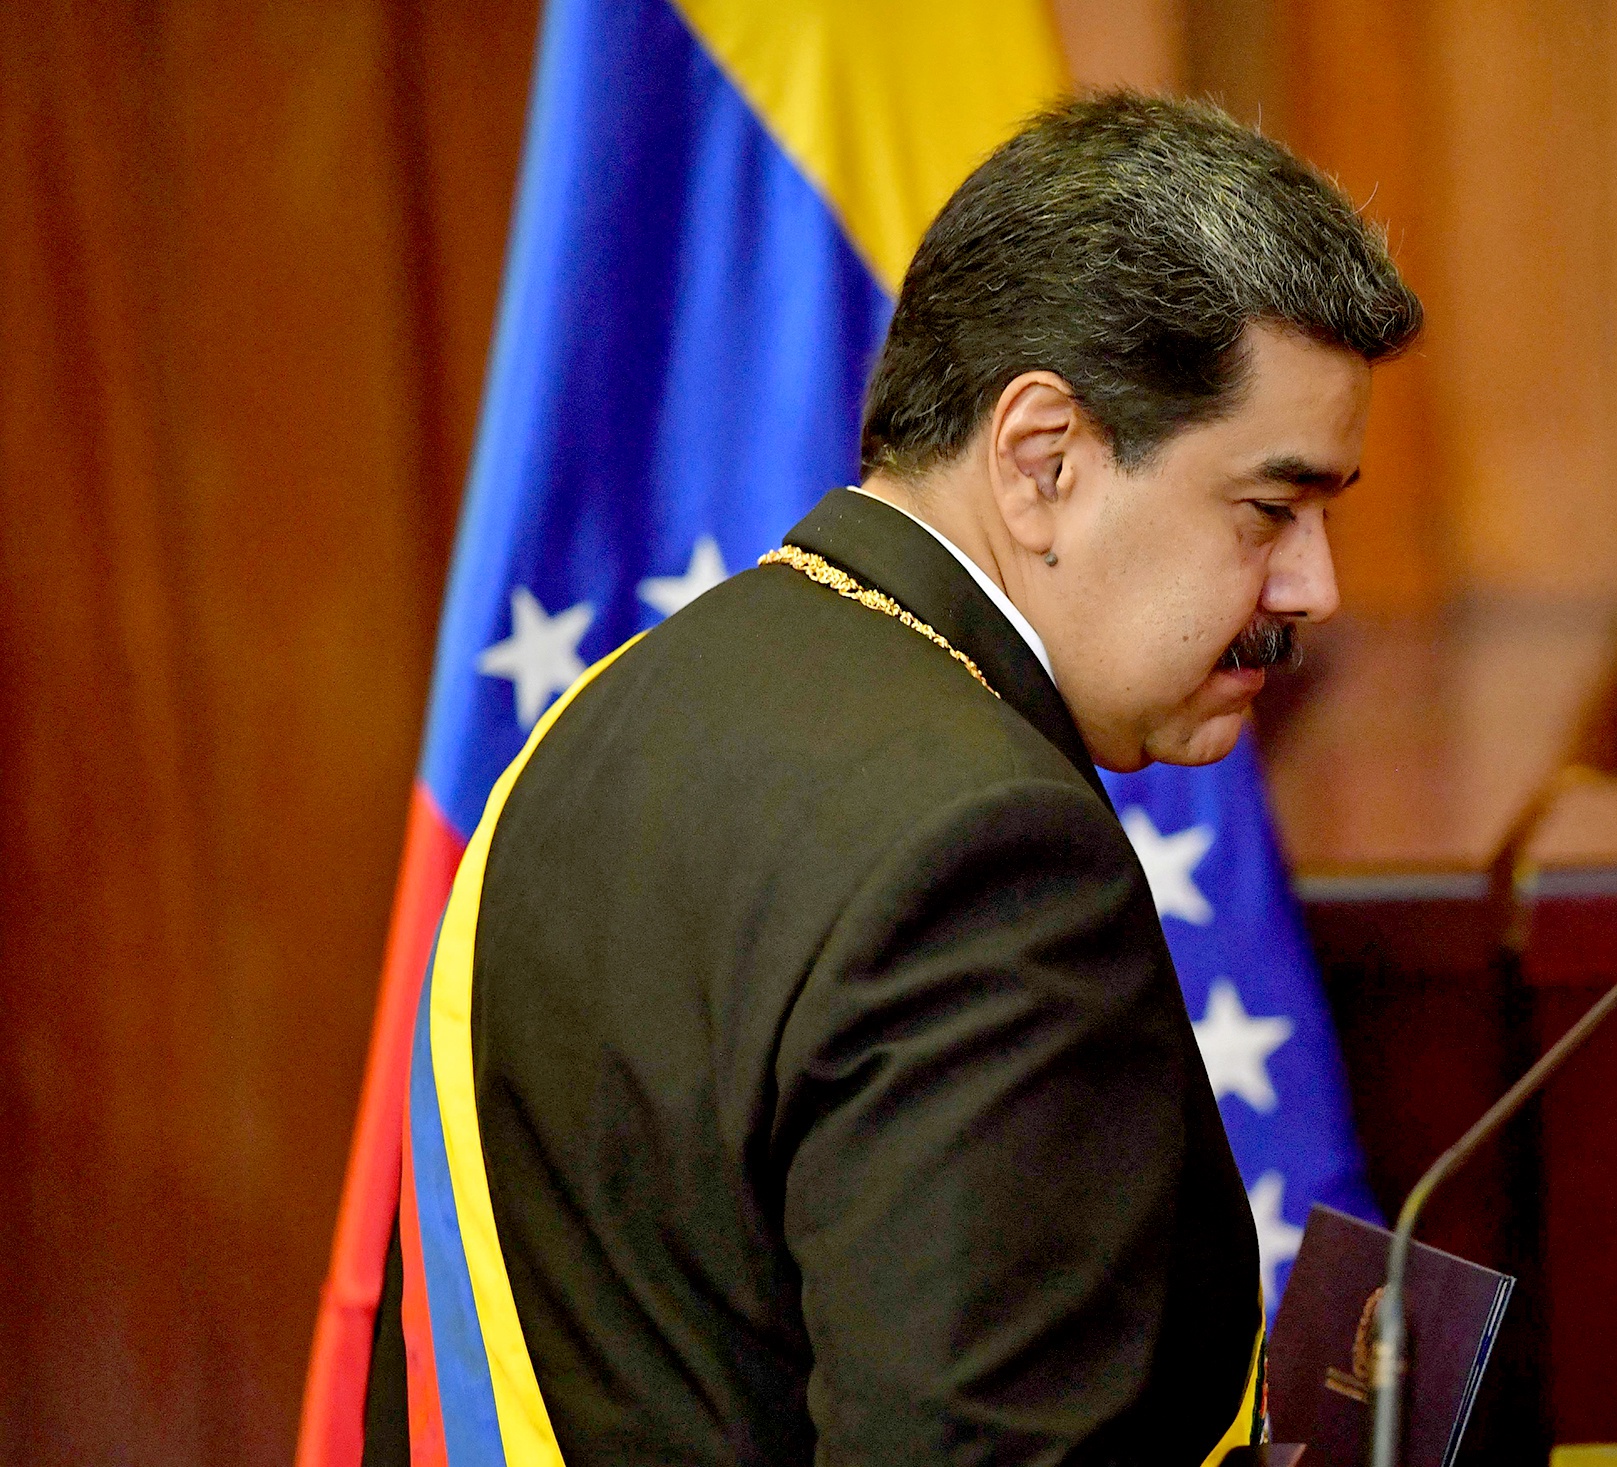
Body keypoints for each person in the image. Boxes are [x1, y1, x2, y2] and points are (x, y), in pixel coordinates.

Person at [364, 92, 1420, 1466]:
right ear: (1043, 459)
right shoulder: (991, 863)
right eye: (1270, 509)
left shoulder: (594, 728)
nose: (1313, 588)